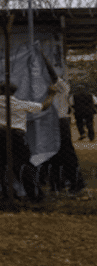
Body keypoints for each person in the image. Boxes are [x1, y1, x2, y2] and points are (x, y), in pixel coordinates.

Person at [0, 80, 57, 202]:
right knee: (21, 164)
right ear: (15, 92)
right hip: (15, 135)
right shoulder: (20, 104)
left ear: (0, 91)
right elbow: (44, 106)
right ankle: (34, 195)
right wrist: (51, 94)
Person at [39, 56, 85, 194]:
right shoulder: (50, 89)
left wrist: (43, 58)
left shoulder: (62, 86)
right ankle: (57, 184)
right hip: (52, 123)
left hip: (59, 123)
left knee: (66, 153)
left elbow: (52, 74)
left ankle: (76, 182)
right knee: (53, 154)